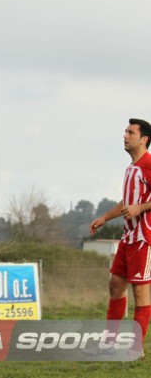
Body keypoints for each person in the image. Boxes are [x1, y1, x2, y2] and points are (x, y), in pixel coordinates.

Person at [89, 118, 151, 360]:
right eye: (125, 132)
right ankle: (109, 344)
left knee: (141, 293)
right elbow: (127, 203)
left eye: (130, 132)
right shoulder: (132, 168)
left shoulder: (148, 165)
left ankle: (136, 349)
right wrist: (105, 217)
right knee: (115, 286)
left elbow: (137, 206)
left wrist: (142, 208)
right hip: (128, 238)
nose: (125, 136)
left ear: (143, 139)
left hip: (144, 239)